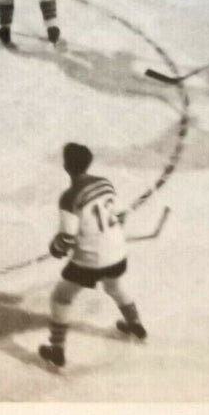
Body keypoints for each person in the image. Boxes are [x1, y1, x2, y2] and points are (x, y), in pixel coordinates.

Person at [39, 143, 147, 368]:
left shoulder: (69, 197)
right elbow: (120, 215)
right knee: (114, 286)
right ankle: (135, 324)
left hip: (89, 259)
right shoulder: (104, 183)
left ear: (66, 166)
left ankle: (56, 349)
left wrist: (56, 249)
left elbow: (66, 239)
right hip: (117, 251)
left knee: (61, 297)